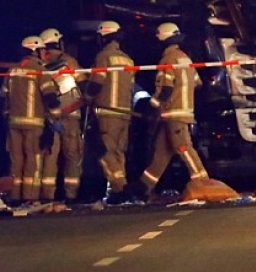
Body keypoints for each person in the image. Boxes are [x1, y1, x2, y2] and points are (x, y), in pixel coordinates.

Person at [126, 23, 209, 201]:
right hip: (180, 112)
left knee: (183, 147)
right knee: (161, 153)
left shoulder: (167, 60)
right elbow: (198, 83)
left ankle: (204, 183)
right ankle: (143, 188)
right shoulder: (185, 58)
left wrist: (151, 106)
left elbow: (165, 90)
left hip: (173, 114)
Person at [3, 36, 62, 207]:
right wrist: (54, 119)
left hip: (14, 124)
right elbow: (51, 98)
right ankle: (31, 196)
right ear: (35, 51)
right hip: (35, 124)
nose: (44, 53)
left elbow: (4, 96)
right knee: (33, 160)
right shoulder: (39, 70)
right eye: (42, 50)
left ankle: (15, 195)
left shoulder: (12, 70)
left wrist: (7, 115)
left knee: (16, 159)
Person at [84, 21, 136, 205]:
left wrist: (87, 97)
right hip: (125, 113)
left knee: (104, 152)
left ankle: (120, 186)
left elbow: (97, 83)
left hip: (107, 113)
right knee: (118, 153)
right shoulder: (127, 59)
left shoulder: (103, 57)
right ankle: (118, 189)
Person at [39, 28, 85, 208]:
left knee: (50, 156)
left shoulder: (41, 66)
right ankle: (70, 194)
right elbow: (83, 85)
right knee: (72, 156)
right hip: (71, 116)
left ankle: (47, 195)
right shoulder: (70, 63)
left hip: (49, 118)